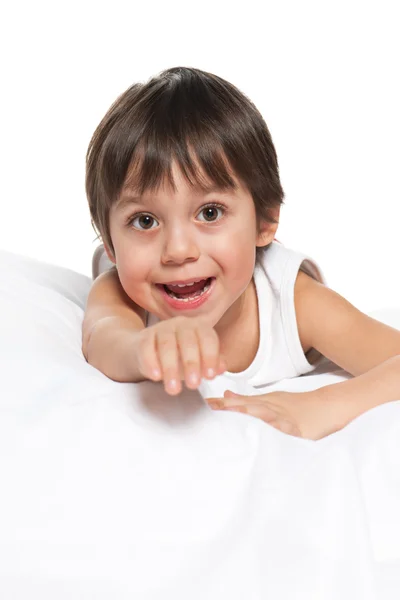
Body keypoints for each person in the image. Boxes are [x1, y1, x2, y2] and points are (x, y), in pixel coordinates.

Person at [82, 66, 400, 440]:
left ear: (264, 221)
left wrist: (322, 405)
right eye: (145, 220)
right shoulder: (123, 292)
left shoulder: (292, 302)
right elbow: (102, 338)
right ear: (110, 242)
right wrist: (143, 349)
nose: (178, 250)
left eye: (210, 213)